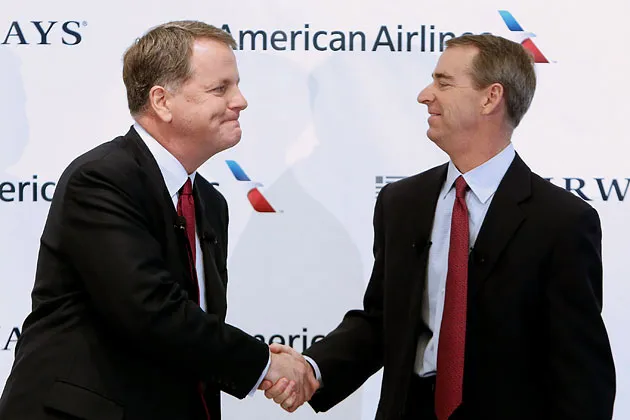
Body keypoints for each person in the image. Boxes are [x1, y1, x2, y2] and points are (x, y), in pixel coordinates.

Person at [265, 34, 616, 419]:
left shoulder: (561, 220)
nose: (424, 95)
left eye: (443, 82)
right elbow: (382, 321)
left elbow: (581, 371)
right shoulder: (402, 203)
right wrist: (313, 368)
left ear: (490, 97)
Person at [0, 20, 317, 420]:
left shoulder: (210, 202)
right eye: (220, 89)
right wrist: (265, 365)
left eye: (235, 85)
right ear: (162, 101)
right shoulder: (102, 179)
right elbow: (149, 310)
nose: (241, 101)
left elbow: (193, 330)